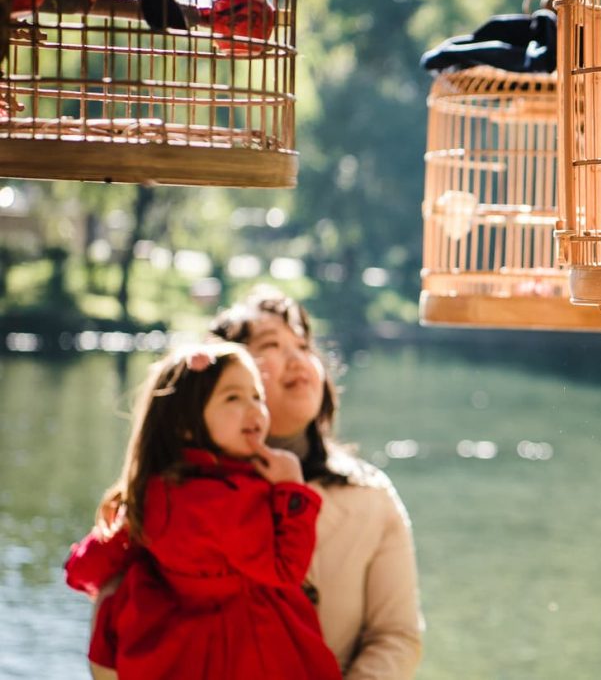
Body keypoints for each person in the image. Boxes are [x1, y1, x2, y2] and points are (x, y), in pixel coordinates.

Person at [65, 342, 342, 680]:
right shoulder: (232, 497)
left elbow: (93, 564)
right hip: (251, 646)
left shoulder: (154, 488)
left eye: (256, 396)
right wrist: (293, 489)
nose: (253, 408)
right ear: (185, 423)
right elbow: (286, 569)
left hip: (178, 648)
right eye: (233, 398)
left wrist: (81, 565)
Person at [208, 287, 423, 679]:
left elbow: (396, 636)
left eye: (304, 346)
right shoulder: (183, 488)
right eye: (271, 344)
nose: (297, 358)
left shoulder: (371, 497)